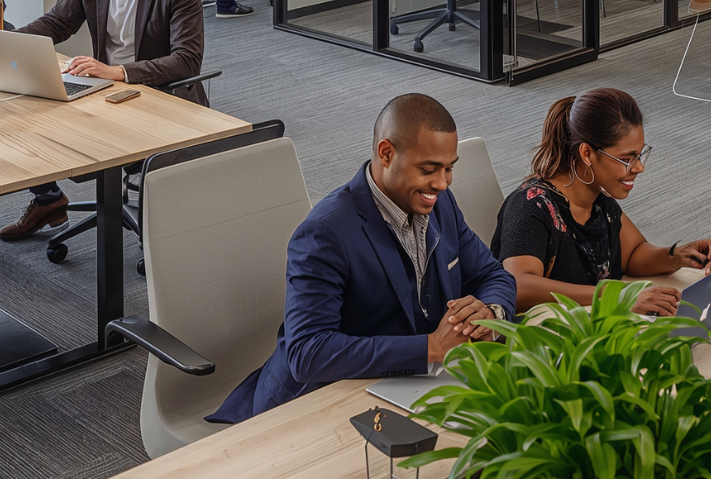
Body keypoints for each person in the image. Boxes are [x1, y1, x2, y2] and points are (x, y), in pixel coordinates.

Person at [210, 94, 517, 423]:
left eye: (449, 169)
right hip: (320, 399)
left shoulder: (441, 203)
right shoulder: (324, 232)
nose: (441, 183)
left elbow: (493, 276)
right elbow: (308, 353)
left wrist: (489, 313)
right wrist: (430, 347)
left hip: (411, 385)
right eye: (428, 170)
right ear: (386, 154)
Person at [0, 0, 208, 242]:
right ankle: (49, 200)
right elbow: (58, 22)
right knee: (15, 112)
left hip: (157, 97)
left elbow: (187, 59)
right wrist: (6, 44)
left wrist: (117, 71)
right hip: (101, 91)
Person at [493, 88, 711, 316]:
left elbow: (632, 254)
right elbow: (518, 287)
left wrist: (675, 255)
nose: (639, 167)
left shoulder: (598, 198)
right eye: (626, 159)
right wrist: (618, 296)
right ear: (587, 154)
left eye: (640, 155)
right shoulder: (531, 206)